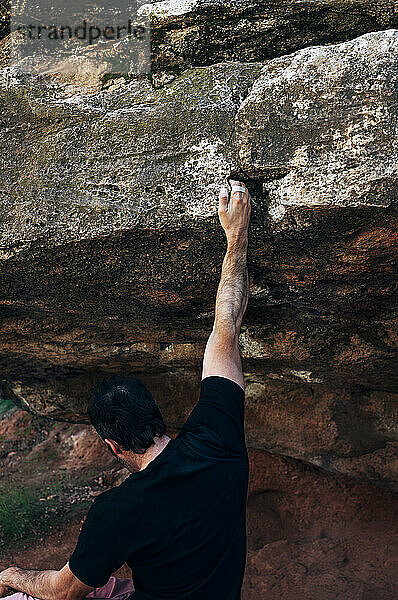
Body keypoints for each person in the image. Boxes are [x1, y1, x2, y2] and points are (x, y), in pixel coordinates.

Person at [0, 179, 251, 600]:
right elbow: (227, 322)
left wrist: (14, 575)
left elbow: (62, 592)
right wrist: (236, 236)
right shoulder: (218, 437)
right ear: (157, 414)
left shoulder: (119, 511)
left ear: (113, 445)